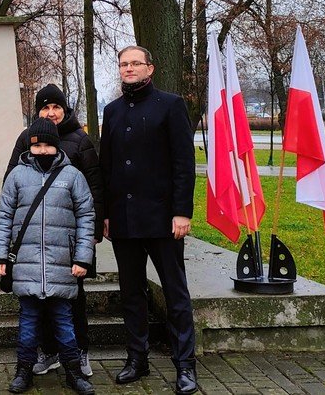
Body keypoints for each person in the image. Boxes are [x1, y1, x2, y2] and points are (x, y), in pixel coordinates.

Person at [99, 46, 198, 395]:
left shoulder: (170, 106)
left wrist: (182, 211)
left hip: (163, 218)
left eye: (135, 63)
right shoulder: (111, 112)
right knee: (131, 294)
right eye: (124, 64)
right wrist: (106, 215)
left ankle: (185, 365)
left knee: (175, 293)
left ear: (150, 68)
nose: (129, 69)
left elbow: (184, 164)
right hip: (124, 220)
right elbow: (106, 168)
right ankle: (136, 359)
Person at [4, 84, 103, 379]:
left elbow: (94, 188)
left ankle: (79, 352)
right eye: (45, 108)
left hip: (70, 240)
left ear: (65, 109)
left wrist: (94, 231)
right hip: (34, 239)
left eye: (56, 107)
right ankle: (47, 352)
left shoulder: (80, 140)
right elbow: (11, 182)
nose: (51, 113)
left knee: (73, 300)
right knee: (38, 300)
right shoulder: (26, 138)